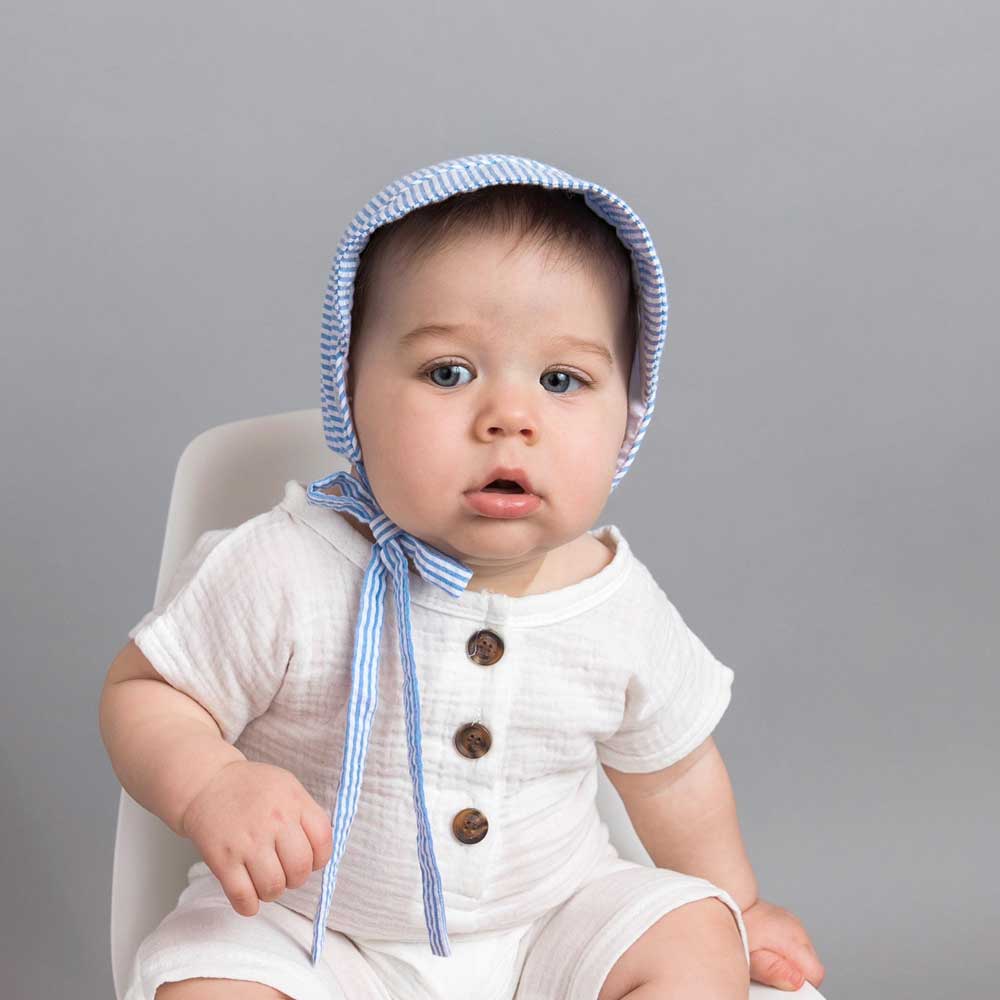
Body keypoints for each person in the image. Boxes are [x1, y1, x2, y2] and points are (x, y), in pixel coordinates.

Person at [100, 152, 825, 1000]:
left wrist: (741, 902)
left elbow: (675, 772)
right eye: (449, 372)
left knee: (696, 936)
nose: (509, 418)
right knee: (212, 982)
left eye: (562, 380)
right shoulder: (287, 565)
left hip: (552, 922)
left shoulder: (612, 599)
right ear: (350, 395)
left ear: (627, 416)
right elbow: (148, 693)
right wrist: (213, 784)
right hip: (310, 928)